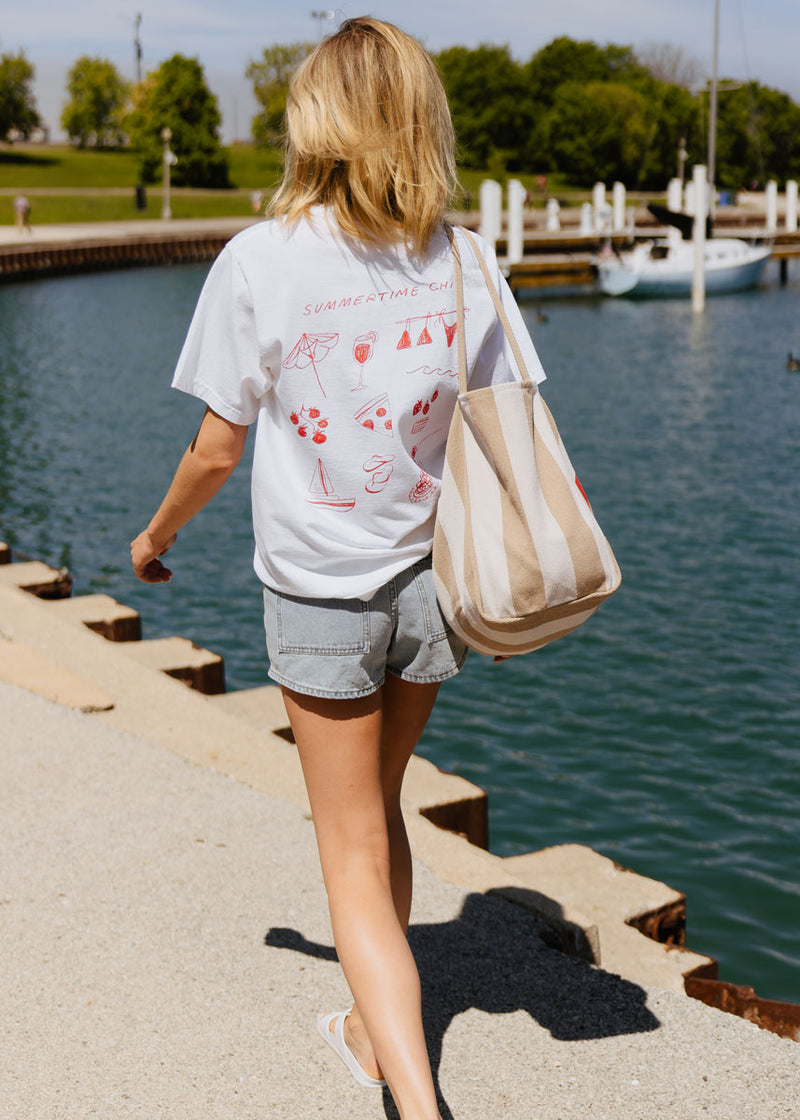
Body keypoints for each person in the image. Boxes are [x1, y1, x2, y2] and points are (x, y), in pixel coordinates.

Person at [131, 16, 545, 1119]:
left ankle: (414, 1099)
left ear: (316, 120)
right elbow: (509, 422)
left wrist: (155, 537)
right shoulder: (465, 257)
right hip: (430, 587)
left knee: (350, 845)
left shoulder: (261, 259)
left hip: (320, 596)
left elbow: (216, 449)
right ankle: (369, 1023)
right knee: (379, 808)